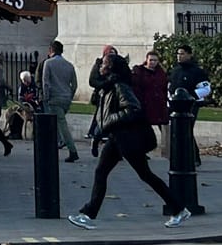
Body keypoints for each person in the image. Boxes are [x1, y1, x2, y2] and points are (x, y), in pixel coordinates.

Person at [68, 52, 190, 230]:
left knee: (144, 175)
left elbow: (133, 108)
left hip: (127, 139)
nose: (101, 66)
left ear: (110, 68)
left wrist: (110, 120)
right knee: (102, 172)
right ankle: (87, 214)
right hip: (118, 138)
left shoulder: (119, 86)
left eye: (103, 63)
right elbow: (94, 80)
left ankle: (179, 209)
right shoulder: (109, 84)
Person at [167, 44, 210, 167]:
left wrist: (190, 97)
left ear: (189, 55)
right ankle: (183, 156)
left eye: (182, 54)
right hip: (174, 105)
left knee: (186, 130)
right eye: (178, 54)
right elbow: (169, 86)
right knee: (179, 131)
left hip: (191, 105)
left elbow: (206, 89)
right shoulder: (175, 70)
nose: (179, 56)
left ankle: (193, 157)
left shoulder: (197, 72)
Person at [40, 40, 80, 163]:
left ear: (51, 50)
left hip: (54, 98)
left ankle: (72, 150)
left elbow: (45, 83)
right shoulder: (69, 65)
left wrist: (46, 97)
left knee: (61, 125)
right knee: (59, 123)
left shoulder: (48, 63)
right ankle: (59, 146)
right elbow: (74, 85)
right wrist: (69, 96)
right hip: (65, 98)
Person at [131, 50, 169, 157]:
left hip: (158, 104)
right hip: (145, 104)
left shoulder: (161, 73)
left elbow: (164, 88)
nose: (152, 62)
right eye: (151, 60)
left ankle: (168, 150)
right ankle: (141, 151)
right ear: (146, 60)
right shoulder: (139, 72)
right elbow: (136, 88)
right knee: (143, 129)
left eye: (155, 60)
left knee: (164, 127)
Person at [86, 44, 116, 155]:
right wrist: (105, 84)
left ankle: (116, 148)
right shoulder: (99, 65)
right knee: (103, 119)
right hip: (103, 96)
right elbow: (93, 81)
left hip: (115, 96)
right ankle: (96, 137)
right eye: (110, 53)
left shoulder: (117, 65)